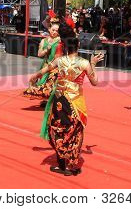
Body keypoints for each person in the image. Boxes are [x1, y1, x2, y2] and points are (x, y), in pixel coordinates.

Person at [29, 24, 104, 176]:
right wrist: (94, 64)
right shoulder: (84, 63)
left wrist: (34, 77)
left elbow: (44, 70)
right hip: (76, 103)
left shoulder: (60, 61)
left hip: (60, 101)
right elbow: (95, 82)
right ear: (78, 46)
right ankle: (73, 166)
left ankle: (62, 164)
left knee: (57, 130)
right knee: (75, 133)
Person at [23, 14, 63, 106]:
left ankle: (53, 101)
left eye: (56, 31)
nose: (54, 32)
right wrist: (46, 50)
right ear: (49, 29)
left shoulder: (60, 40)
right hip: (46, 64)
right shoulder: (44, 41)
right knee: (43, 82)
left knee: (54, 83)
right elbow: (39, 54)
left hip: (57, 66)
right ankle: (46, 100)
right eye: (53, 30)